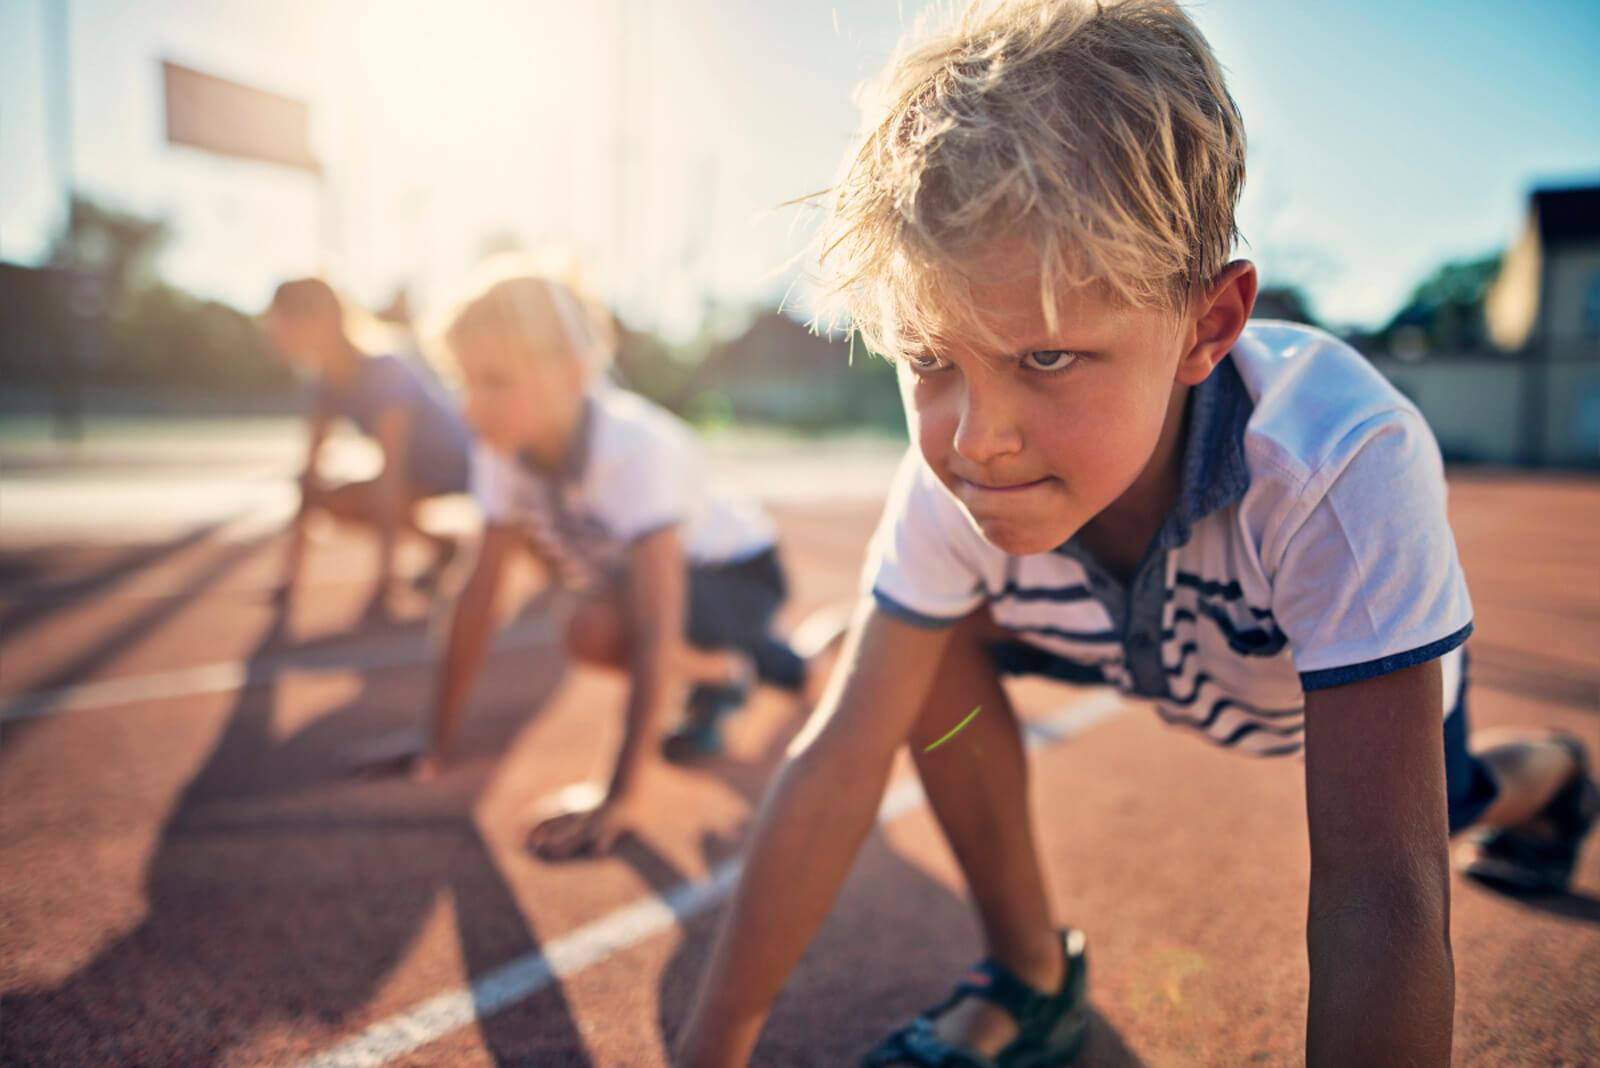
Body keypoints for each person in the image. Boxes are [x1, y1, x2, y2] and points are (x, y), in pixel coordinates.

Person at [673, 2, 1599, 1065]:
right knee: (903, 656)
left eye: (1049, 358)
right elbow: (840, 758)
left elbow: (1380, 896)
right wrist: (713, 1044)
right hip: (1109, 641)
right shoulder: (952, 483)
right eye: (929, 358)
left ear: (1206, 326)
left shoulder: (1339, 464)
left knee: (1443, 812)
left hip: (1320, 696)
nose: (979, 442)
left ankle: (1552, 776)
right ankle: (1027, 972)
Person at [402, 267, 839, 858]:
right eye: (463, 380)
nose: (470, 405)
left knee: (601, 624)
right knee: (597, 620)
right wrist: (436, 739)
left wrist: (617, 796)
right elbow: (478, 593)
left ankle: (797, 660)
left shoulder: (632, 449)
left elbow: (656, 623)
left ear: (574, 375)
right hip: (653, 590)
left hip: (739, 573)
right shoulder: (504, 446)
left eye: (496, 380)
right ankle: (724, 674)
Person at [263, 277, 471, 619]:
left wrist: (383, 582)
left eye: (282, 321)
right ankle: (443, 545)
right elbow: (309, 476)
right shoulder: (323, 384)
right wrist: (289, 581)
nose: (273, 333)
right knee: (323, 498)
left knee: (530, 541)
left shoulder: (385, 370)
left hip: (464, 464)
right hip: (417, 474)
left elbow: (392, 471)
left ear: (320, 321)